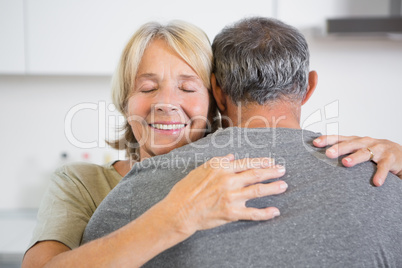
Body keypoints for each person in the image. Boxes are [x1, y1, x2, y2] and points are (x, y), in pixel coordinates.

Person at [23, 19, 402, 267]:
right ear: (124, 99)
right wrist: (175, 215)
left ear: (215, 98)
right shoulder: (83, 184)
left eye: (188, 87)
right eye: (147, 87)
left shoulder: (237, 171)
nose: (165, 102)